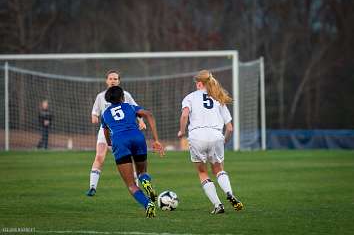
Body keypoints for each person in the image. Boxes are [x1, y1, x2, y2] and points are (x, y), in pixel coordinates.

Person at [177, 70, 244, 214]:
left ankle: (218, 205)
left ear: (200, 83)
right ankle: (229, 193)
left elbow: (184, 115)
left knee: (202, 172)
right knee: (218, 169)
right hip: (216, 135)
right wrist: (224, 141)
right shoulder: (218, 98)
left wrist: (182, 131)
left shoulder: (190, 97)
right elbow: (230, 128)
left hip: (197, 136)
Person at [101, 86, 165, 218]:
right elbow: (149, 115)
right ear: (122, 97)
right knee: (142, 172)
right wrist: (156, 140)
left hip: (120, 141)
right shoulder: (130, 107)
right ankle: (147, 183)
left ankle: (148, 204)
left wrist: (110, 143)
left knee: (131, 184)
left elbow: (106, 134)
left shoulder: (105, 114)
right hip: (137, 137)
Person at [87, 70, 146, 196]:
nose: (112, 81)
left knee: (130, 160)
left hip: (123, 132)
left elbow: (137, 110)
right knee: (99, 157)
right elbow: (94, 113)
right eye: (110, 78)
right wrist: (95, 117)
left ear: (119, 81)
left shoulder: (125, 95)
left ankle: (136, 186)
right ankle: (92, 187)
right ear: (106, 81)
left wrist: (141, 121)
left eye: (115, 79)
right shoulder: (100, 96)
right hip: (106, 132)